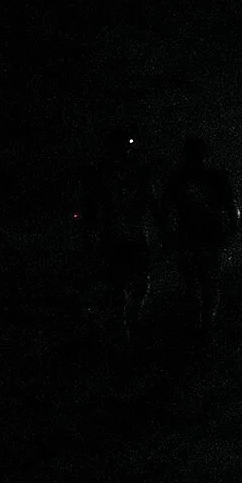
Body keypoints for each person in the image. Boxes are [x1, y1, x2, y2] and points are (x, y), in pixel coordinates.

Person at [81, 130, 155, 345]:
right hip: (120, 236)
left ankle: (126, 322)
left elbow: (150, 200)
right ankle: (125, 326)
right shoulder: (103, 174)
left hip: (125, 235)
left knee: (133, 282)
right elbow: (90, 207)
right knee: (125, 283)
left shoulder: (134, 171)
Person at [164, 136, 239, 335]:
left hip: (188, 238)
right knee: (210, 283)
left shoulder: (177, 177)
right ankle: (206, 323)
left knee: (192, 283)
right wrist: (232, 228)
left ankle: (197, 322)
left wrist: (168, 235)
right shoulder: (217, 176)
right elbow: (232, 208)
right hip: (209, 237)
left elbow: (166, 210)